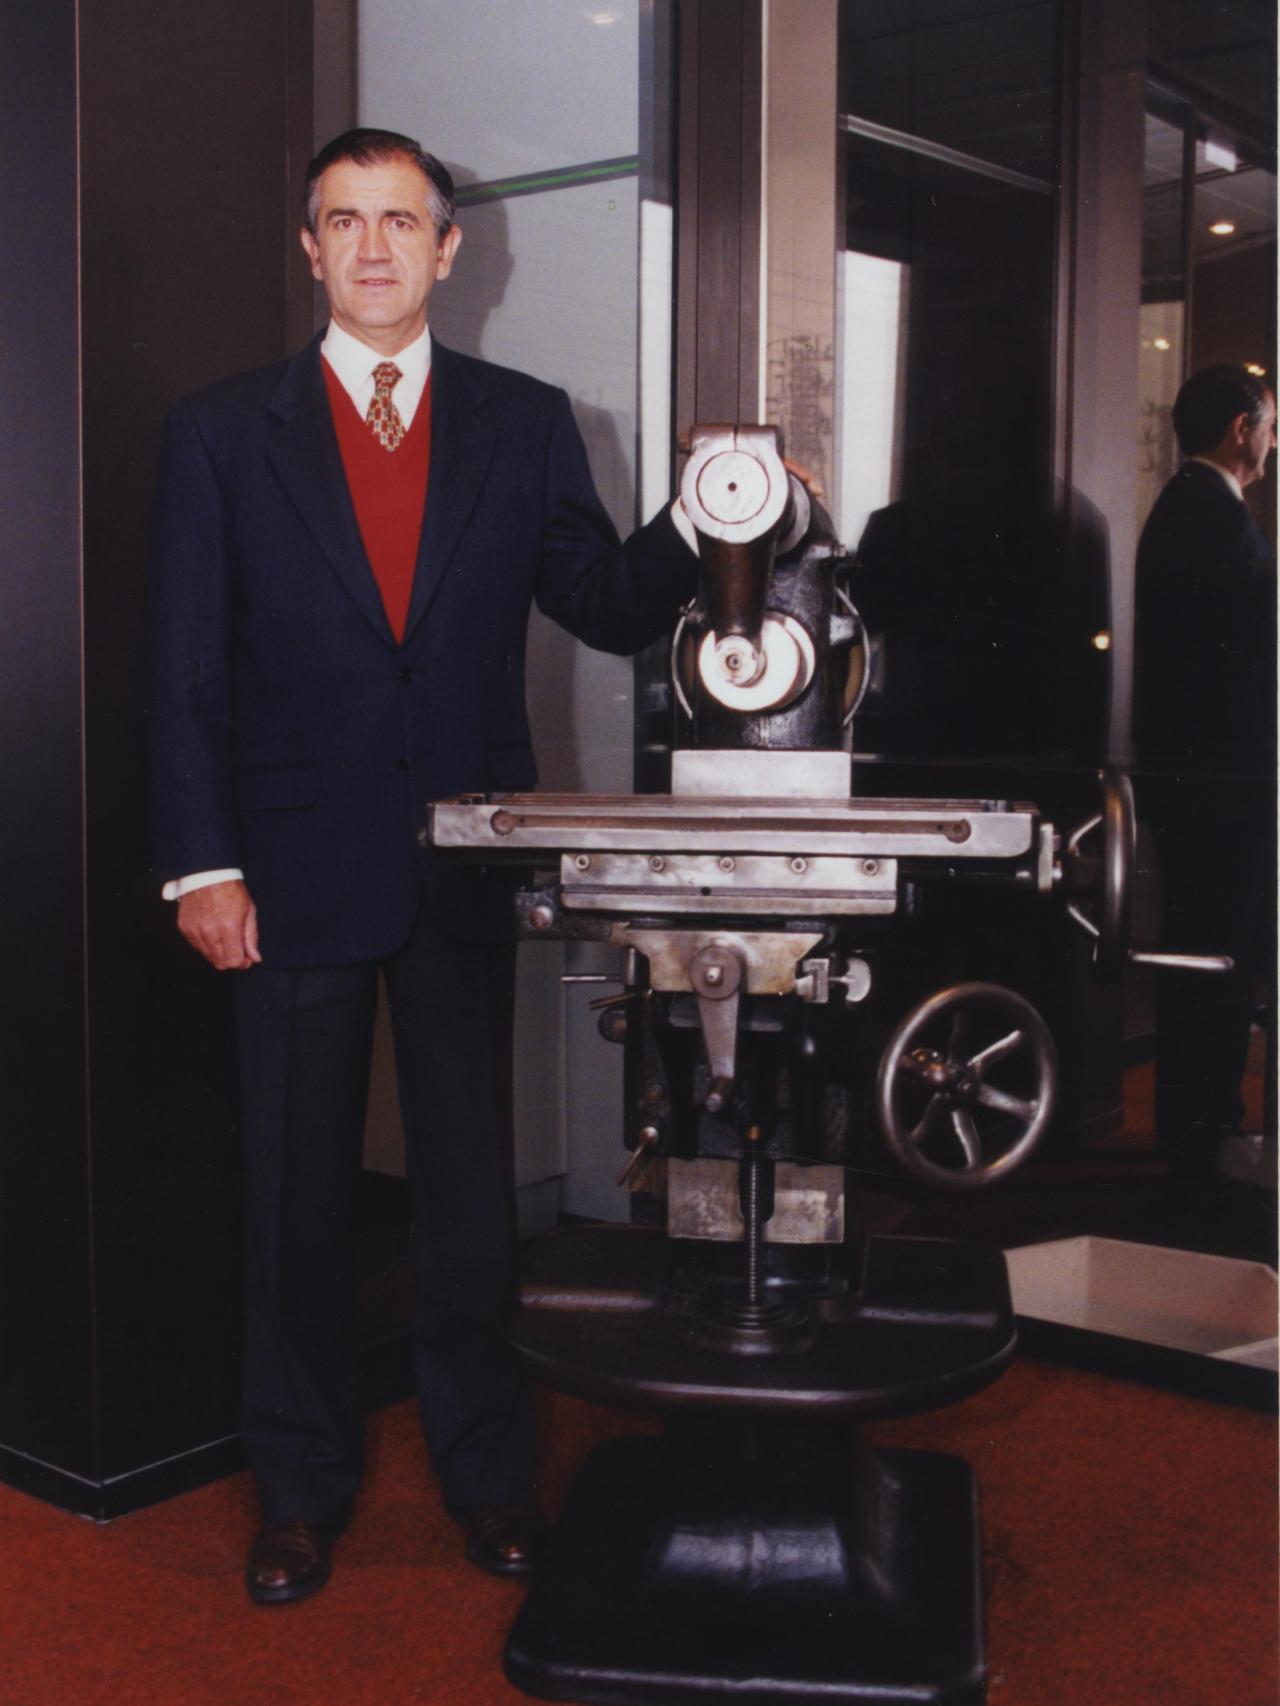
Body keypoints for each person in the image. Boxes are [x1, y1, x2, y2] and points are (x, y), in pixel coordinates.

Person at [147, 128, 697, 1604]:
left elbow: (605, 603)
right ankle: (300, 1485)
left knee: (467, 1204)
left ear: (450, 253)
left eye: (404, 221)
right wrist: (200, 863)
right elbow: (183, 671)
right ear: (311, 249)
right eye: (347, 220)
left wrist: (704, 524)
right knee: (297, 1203)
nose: (377, 246)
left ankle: (490, 1476)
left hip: (463, 866)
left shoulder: (525, 423)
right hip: (286, 867)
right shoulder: (219, 430)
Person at [1134, 364, 1276, 1180]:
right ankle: (1205, 1138)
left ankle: (1198, 1129)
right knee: (1221, 957)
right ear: (1239, 428)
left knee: (1208, 953)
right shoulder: (1217, 525)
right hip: (1227, 788)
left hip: (1197, 784)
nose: (1275, 442)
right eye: (1271, 425)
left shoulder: (1186, 511)